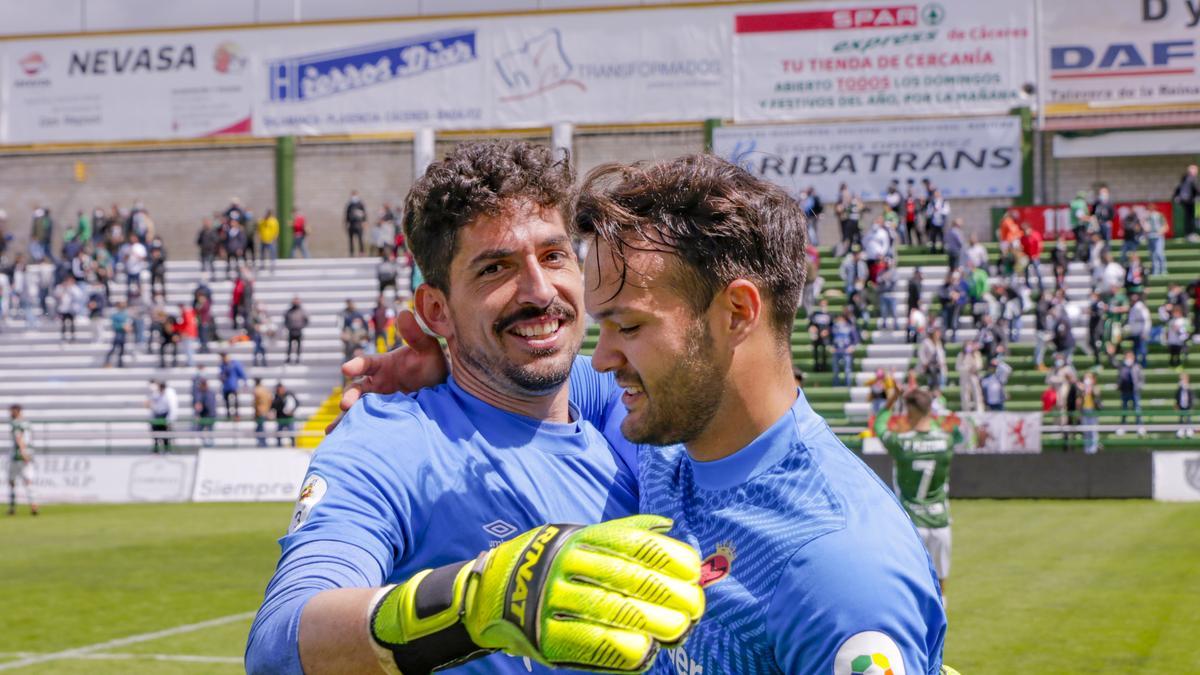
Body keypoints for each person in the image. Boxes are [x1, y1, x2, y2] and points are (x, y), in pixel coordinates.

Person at [340, 154, 953, 673]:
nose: (601, 358)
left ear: (737, 313)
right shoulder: (665, 431)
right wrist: (451, 363)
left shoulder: (840, 565)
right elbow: (539, 378)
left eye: (628, 326)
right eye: (603, 325)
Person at [246, 141, 703, 675]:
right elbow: (279, 643)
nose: (539, 290)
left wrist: (458, 358)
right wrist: (469, 603)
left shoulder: (607, 399)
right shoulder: (394, 440)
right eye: (495, 269)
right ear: (437, 310)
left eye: (554, 256)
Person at [874, 388, 957, 605]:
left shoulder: (901, 444)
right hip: (940, 522)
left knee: (910, 585)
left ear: (909, 412)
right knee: (941, 586)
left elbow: (879, 426)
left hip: (912, 522)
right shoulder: (946, 442)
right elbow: (951, 427)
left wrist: (890, 401)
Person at [7, 405, 39, 516]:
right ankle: (34, 505)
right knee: (28, 480)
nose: (10, 413)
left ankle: (12, 507)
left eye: (11, 411)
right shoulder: (27, 423)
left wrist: (22, 452)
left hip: (18, 456)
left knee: (12, 481)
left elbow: (19, 438)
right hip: (29, 454)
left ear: (17, 411)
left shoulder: (16, 423)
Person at [1116, 351, 1145, 437]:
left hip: (1134, 391)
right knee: (1124, 410)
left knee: (1137, 409)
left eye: (1130, 356)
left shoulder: (1137, 367)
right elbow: (1119, 378)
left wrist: (1138, 387)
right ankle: (1123, 426)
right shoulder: (1122, 367)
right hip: (1124, 391)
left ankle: (1139, 426)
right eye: (1127, 356)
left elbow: (1141, 379)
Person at [147, 380, 178, 453]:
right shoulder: (156, 394)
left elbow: (172, 408)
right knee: (156, 435)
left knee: (165, 435)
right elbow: (152, 405)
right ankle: (156, 449)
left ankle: (167, 449)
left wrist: (169, 420)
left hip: (165, 416)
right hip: (157, 416)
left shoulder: (169, 394)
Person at [270, 381, 300, 447]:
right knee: (279, 434)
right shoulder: (276, 396)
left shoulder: (289, 394)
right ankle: (279, 446)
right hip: (280, 418)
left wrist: (292, 411)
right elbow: (273, 406)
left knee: (291, 433)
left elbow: (297, 403)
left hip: (289, 418)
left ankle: (293, 445)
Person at [218, 352, 247, 420]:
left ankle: (237, 415)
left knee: (235, 401)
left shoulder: (234, 364)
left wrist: (245, 382)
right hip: (226, 386)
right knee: (227, 402)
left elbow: (241, 373)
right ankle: (228, 415)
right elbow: (221, 375)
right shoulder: (222, 365)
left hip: (233, 385)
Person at [1173, 164, 1198, 241]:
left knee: (1189, 217)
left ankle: (1189, 234)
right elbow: (1196, 189)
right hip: (1189, 201)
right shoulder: (1190, 179)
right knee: (1190, 218)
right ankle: (1190, 234)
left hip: (1186, 201)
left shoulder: (1184, 178)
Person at [103, 300, 131, 368]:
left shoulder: (125, 314)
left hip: (123, 333)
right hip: (118, 333)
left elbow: (128, 323)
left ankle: (120, 363)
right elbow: (115, 325)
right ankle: (107, 362)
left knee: (122, 349)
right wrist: (122, 326)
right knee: (114, 348)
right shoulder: (115, 315)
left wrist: (128, 327)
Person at [283, 297, 309, 364]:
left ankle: (297, 359)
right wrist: (289, 326)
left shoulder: (302, 311)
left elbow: (306, 320)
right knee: (289, 346)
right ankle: (288, 358)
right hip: (291, 330)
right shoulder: (289, 311)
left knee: (298, 346)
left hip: (298, 330)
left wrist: (301, 326)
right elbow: (285, 319)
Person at [194, 378, 218, 447]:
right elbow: (198, 405)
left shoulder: (210, 393)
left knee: (210, 430)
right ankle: (206, 443)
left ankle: (210, 444)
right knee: (200, 430)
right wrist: (197, 414)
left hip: (210, 415)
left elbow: (210, 405)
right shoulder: (201, 393)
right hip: (204, 415)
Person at [345, 190, 367, 256]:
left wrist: (364, 222)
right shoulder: (349, 204)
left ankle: (361, 251)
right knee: (351, 239)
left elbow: (364, 213)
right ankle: (351, 252)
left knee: (360, 239)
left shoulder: (360, 204)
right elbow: (346, 214)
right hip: (351, 224)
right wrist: (346, 222)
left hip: (359, 224)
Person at [258, 209, 280, 273]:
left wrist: (275, 237)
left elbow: (276, 230)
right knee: (262, 254)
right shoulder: (262, 221)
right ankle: (262, 265)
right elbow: (259, 229)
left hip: (271, 240)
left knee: (272, 253)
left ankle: (272, 266)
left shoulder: (274, 221)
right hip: (263, 239)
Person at [253, 378, 272, 448]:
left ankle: (262, 443)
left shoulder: (257, 390)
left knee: (260, 428)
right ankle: (263, 443)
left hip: (259, 411)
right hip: (265, 410)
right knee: (261, 427)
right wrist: (268, 409)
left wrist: (256, 412)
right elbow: (270, 399)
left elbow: (256, 403)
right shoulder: (265, 389)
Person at [1177, 373, 1195, 438]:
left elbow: (1192, 398)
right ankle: (1181, 431)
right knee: (1181, 418)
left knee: (1188, 419)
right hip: (1181, 405)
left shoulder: (1189, 388)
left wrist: (1191, 406)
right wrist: (1177, 405)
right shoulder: (1179, 389)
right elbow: (1177, 397)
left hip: (1188, 406)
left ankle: (1189, 431)